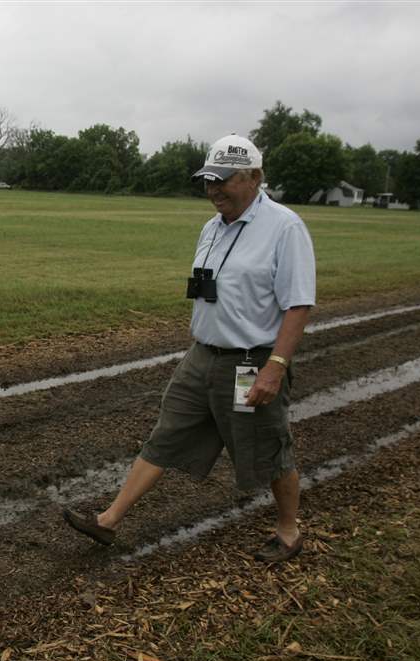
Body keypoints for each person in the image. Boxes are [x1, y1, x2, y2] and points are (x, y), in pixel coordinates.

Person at [63, 134, 316, 563]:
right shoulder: (212, 228)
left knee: (268, 446)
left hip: (251, 362)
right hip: (203, 356)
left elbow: (298, 303)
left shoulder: (284, 227)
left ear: (254, 177)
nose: (213, 190)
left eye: (224, 181)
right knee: (167, 432)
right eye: (208, 181)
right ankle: (107, 521)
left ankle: (289, 531)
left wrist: (275, 366)